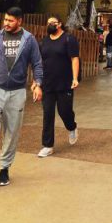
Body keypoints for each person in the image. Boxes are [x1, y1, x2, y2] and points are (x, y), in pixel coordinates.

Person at [0, 7, 43, 192]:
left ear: (19, 21)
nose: (6, 23)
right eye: (5, 19)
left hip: (17, 92)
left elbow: (37, 63)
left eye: (10, 20)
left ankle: (5, 168)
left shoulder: (29, 40)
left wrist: (38, 83)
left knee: (12, 132)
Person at [37, 15, 80, 158]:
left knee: (64, 111)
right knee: (47, 114)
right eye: (48, 23)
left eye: (53, 23)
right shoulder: (43, 42)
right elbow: (39, 63)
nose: (50, 25)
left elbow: (74, 58)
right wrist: (36, 82)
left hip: (64, 83)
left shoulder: (68, 39)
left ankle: (72, 126)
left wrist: (75, 78)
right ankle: (48, 145)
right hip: (47, 84)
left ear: (60, 24)